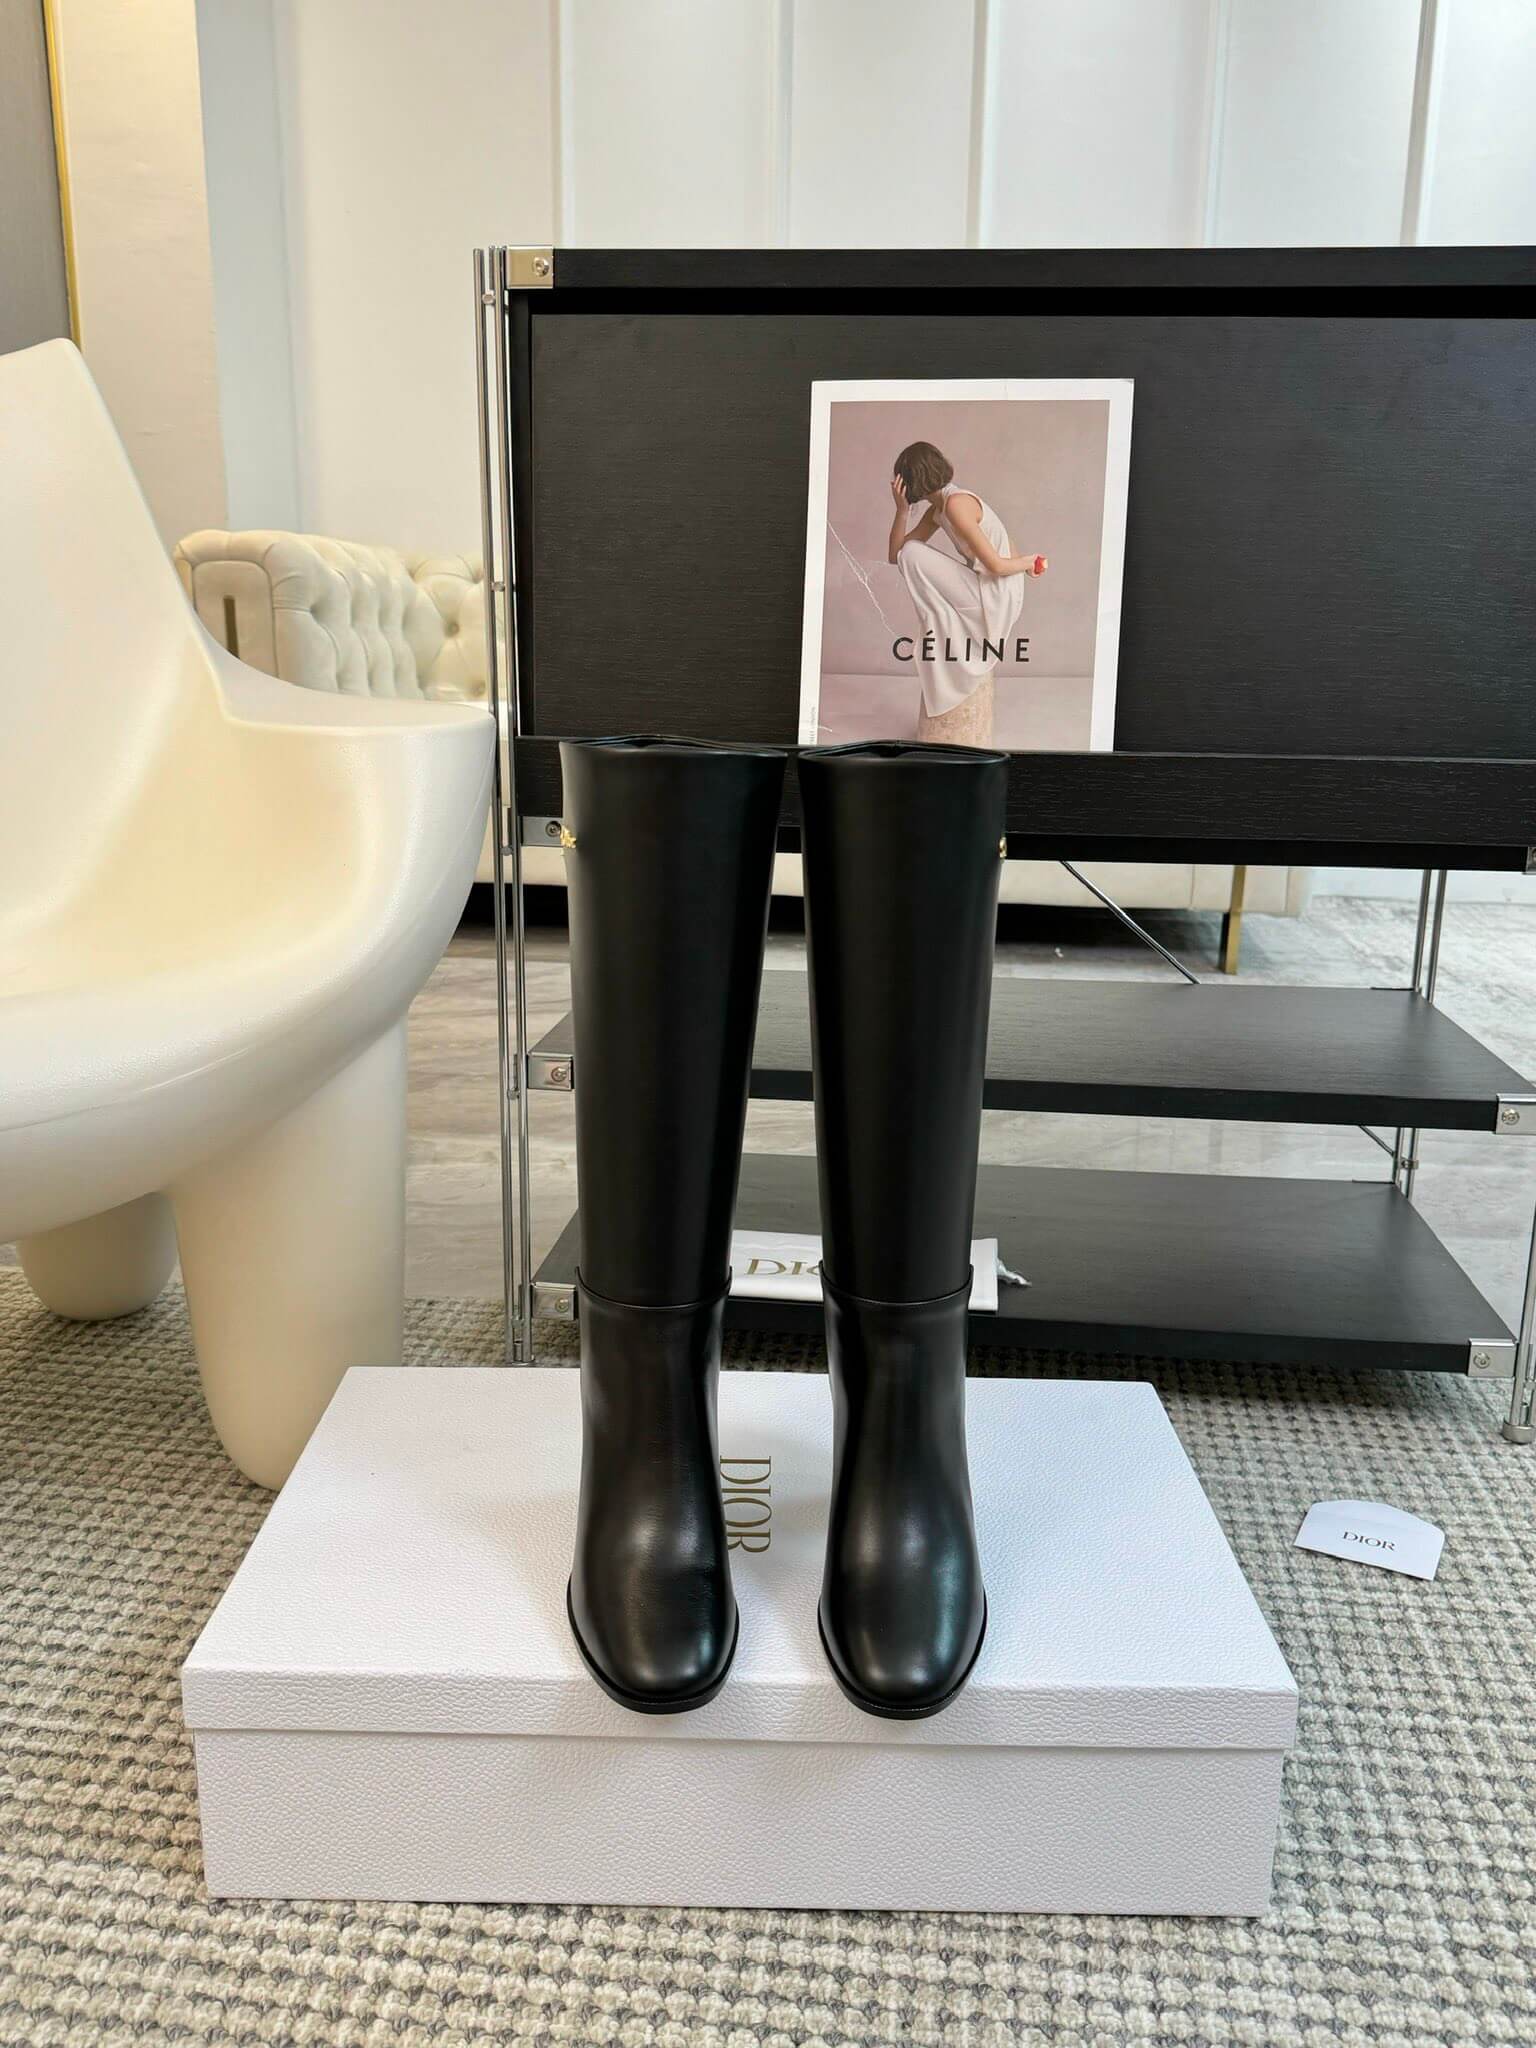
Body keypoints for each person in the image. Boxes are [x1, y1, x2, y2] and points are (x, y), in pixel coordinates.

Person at [888, 440, 1045, 745]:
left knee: (913, 553)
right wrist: (901, 511)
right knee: (910, 552)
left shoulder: (957, 504)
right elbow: (896, 555)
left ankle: (940, 617)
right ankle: (941, 618)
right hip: (985, 586)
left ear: (912, 479)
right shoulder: (939, 509)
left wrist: (1029, 563)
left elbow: (996, 565)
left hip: (996, 594)